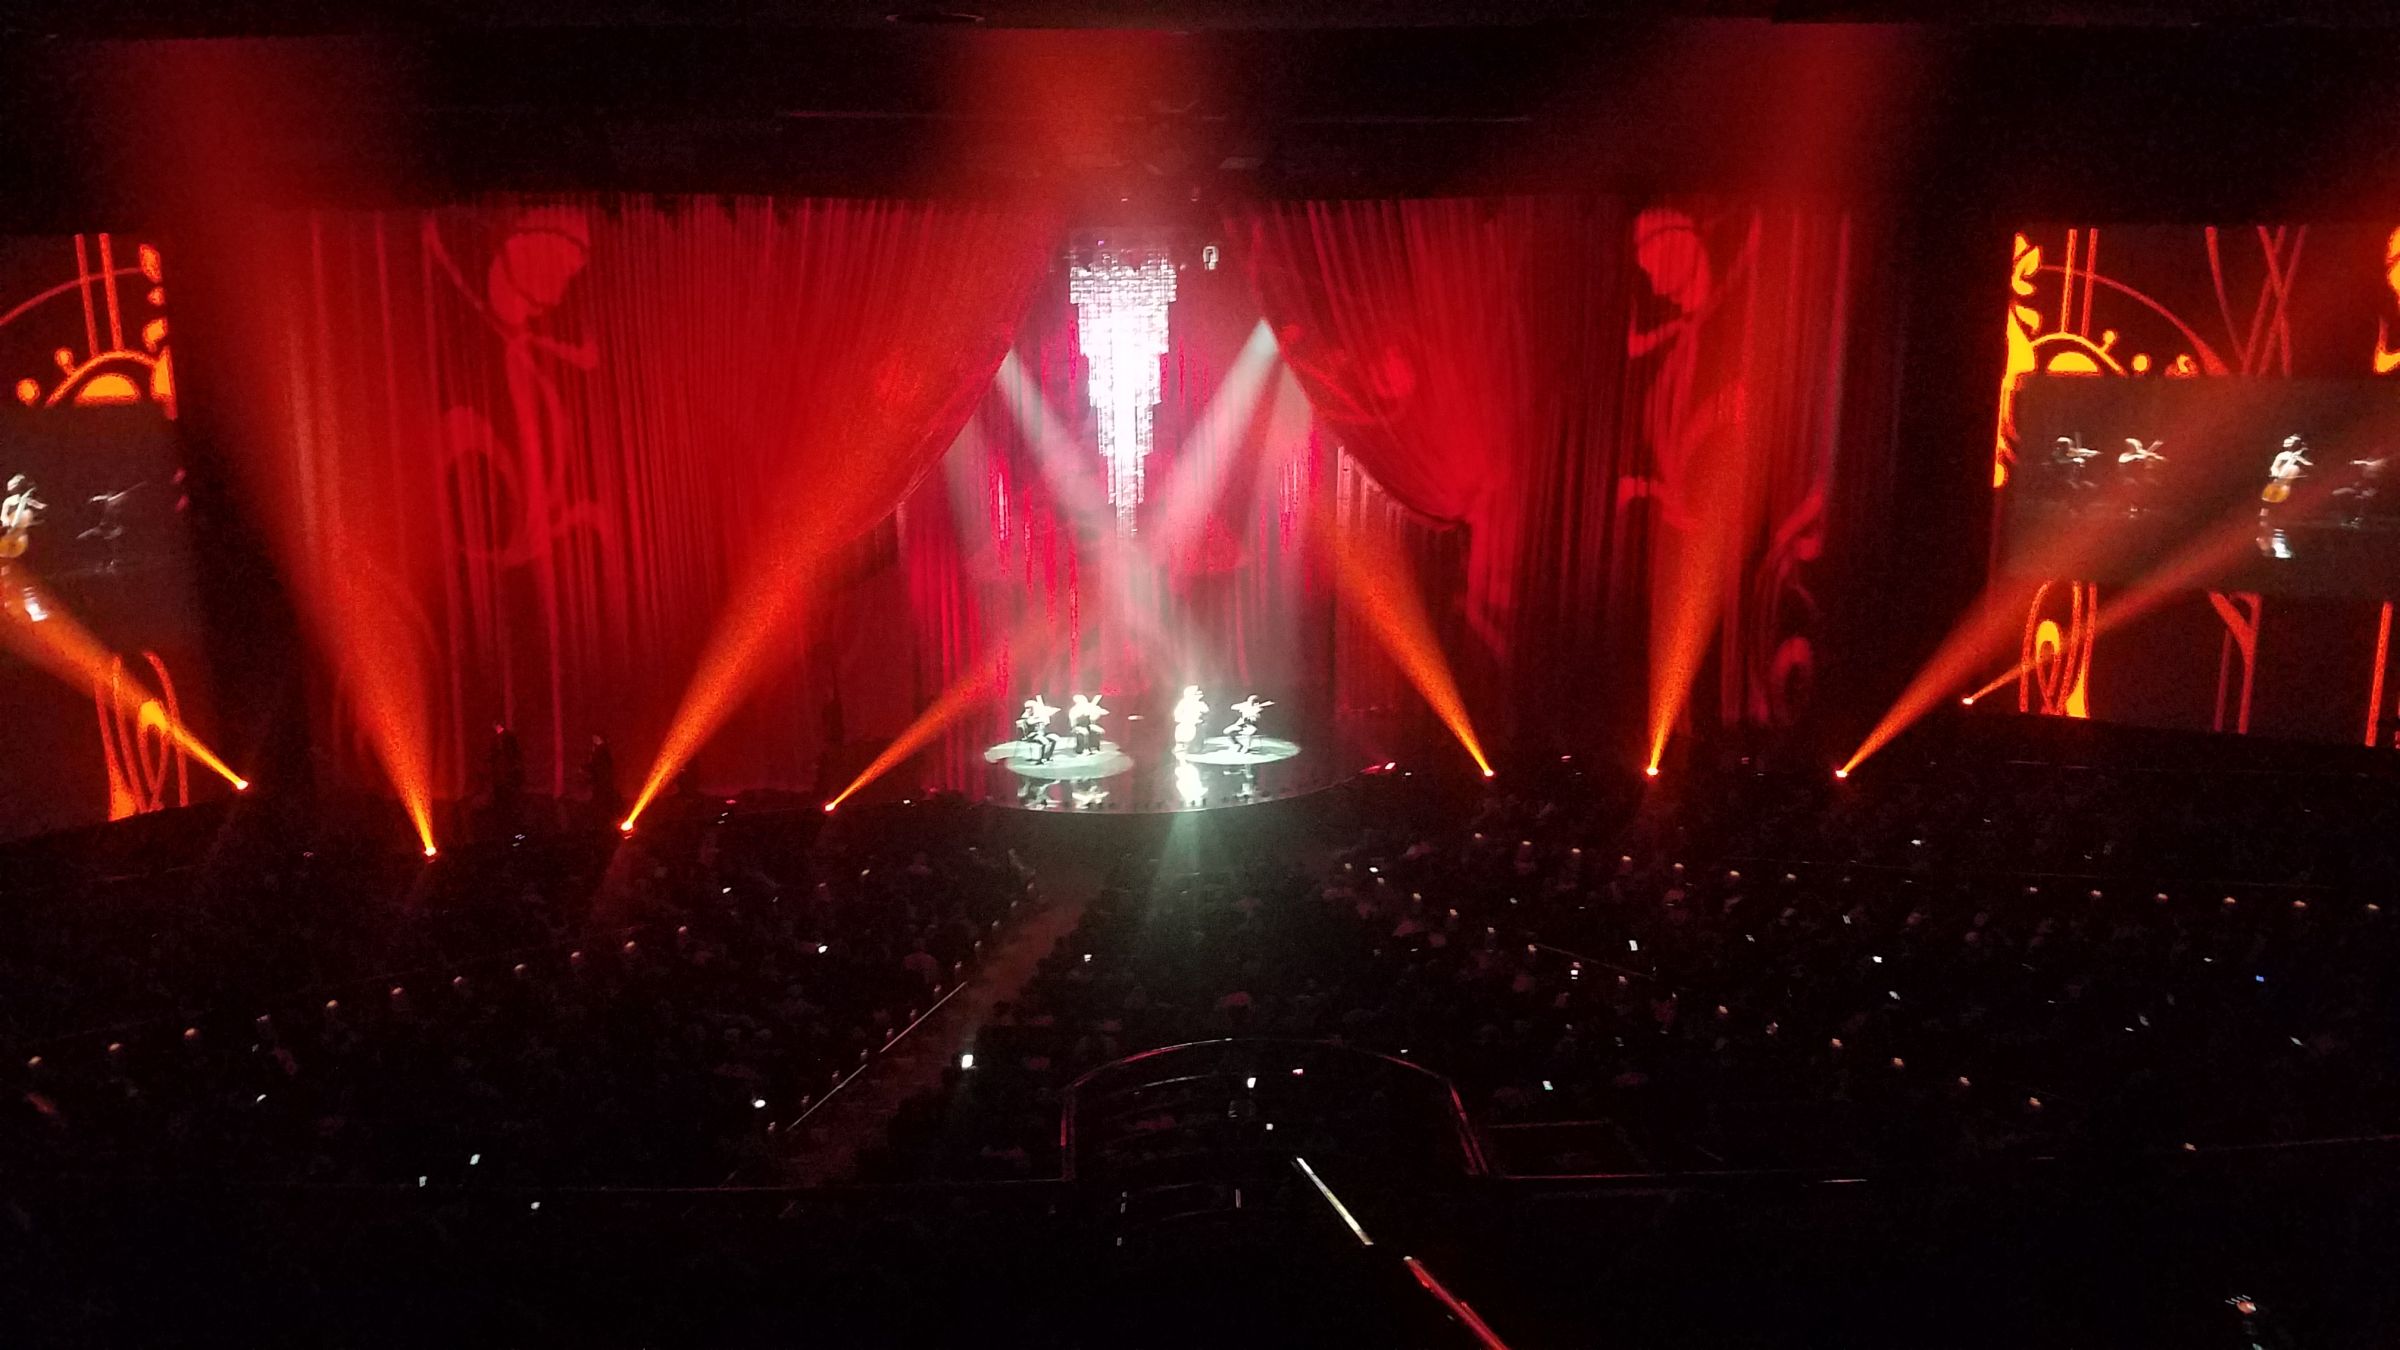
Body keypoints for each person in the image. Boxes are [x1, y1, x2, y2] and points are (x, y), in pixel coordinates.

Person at [584, 733, 621, 827]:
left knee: (602, 802)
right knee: (602, 801)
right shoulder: (601, 750)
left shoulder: (602, 751)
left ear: (600, 738)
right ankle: (606, 822)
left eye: (595, 737)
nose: (593, 739)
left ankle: (605, 823)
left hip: (602, 782)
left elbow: (598, 766)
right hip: (602, 781)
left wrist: (587, 768)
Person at [1015, 695, 1059, 764]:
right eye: (1027, 708)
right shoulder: (1026, 716)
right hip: (1031, 735)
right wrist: (1041, 718)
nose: (1028, 710)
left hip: (1041, 733)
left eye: (1030, 708)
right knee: (1045, 742)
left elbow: (1045, 723)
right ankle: (1041, 759)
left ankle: (1048, 756)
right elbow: (1030, 722)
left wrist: (1046, 719)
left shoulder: (1040, 714)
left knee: (1055, 738)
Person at [1171, 686, 1208, 758]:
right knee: (1182, 733)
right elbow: (1177, 713)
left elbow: (1206, 710)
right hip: (1185, 722)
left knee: (1198, 734)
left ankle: (1196, 747)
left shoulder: (1200, 703)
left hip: (1197, 723)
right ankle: (1182, 746)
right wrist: (1181, 719)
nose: (1199, 694)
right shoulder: (1183, 702)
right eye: (1196, 693)